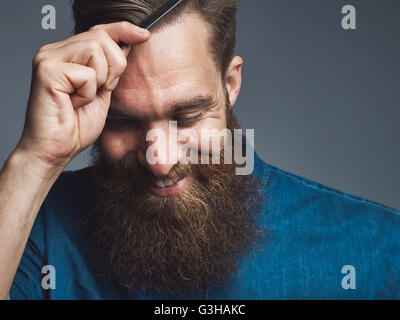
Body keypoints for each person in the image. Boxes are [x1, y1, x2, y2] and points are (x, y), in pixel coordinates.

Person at [1, 0, 399, 300]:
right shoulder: (38, 233)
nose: (161, 160)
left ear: (230, 84)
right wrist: (35, 159)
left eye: (188, 115)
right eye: (121, 122)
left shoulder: (380, 250)